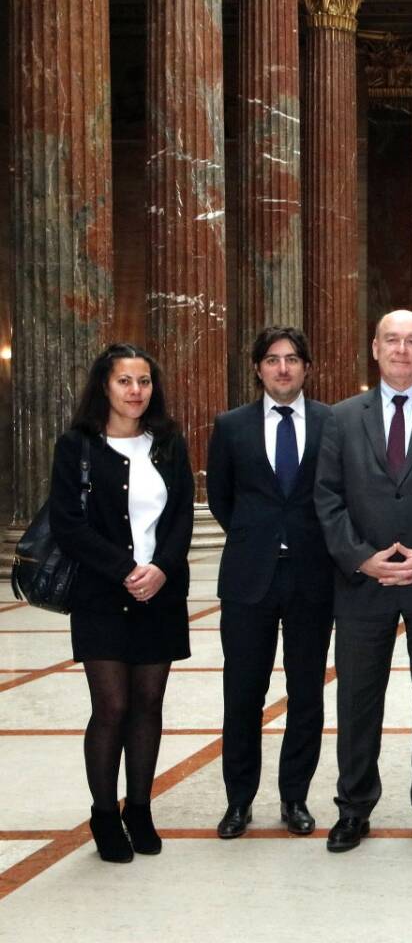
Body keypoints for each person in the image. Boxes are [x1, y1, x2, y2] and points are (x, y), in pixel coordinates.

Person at [314, 310, 412, 853]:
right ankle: (354, 808)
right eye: (392, 341)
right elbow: (327, 498)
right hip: (363, 584)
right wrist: (361, 559)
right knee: (358, 700)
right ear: (375, 349)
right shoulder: (338, 417)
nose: (402, 350)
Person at [48, 344, 194, 863]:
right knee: (111, 707)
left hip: (160, 593)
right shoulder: (77, 446)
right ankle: (105, 814)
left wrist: (160, 569)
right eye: (125, 381)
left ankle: (140, 808)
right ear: (104, 387)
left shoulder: (169, 443)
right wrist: (125, 569)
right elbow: (68, 524)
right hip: (102, 596)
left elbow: (181, 519)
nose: (136, 391)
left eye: (144, 381)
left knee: (148, 706)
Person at [207, 327, 334, 840]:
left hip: (312, 576)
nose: (283, 369)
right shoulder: (231, 426)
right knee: (242, 693)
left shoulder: (332, 422)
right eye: (272, 360)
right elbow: (221, 498)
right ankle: (238, 802)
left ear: (307, 367)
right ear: (257, 368)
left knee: (306, 693)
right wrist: (260, 537)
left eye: (292, 360)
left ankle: (294, 798)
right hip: (248, 579)